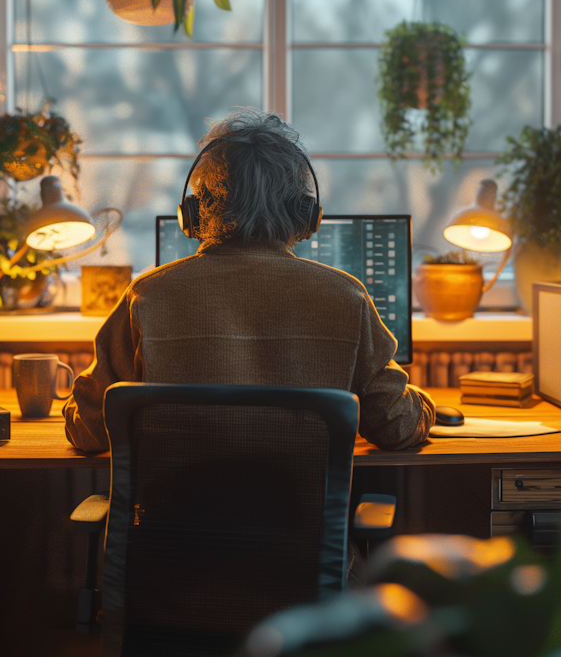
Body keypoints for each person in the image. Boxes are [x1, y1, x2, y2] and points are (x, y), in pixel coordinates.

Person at [63, 109, 435, 453]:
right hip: (299, 523)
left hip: (171, 523)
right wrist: (424, 403)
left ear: (194, 211)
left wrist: (68, 406)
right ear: (305, 214)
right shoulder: (347, 297)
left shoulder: (146, 297)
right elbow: (395, 425)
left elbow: (89, 431)